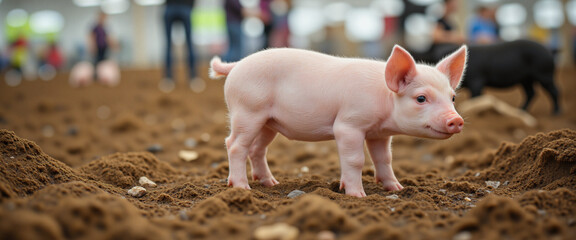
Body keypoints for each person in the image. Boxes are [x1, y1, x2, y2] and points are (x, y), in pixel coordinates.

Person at [160, 0, 205, 93]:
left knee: (168, 45)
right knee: (189, 44)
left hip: (170, 6)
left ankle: (168, 79)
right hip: (185, 6)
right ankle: (193, 78)